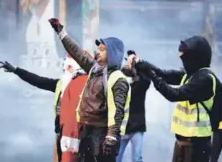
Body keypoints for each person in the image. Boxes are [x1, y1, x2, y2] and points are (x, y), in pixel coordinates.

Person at [48, 18, 131, 162]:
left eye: (102, 50)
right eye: (98, 49)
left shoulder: (117, 78)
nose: (98, 52)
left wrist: (111, 136)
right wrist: (61, 33)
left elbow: (117, 111)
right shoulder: (95, 69)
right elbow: (77, 52)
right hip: (87, 130)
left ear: (112, 53)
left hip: (103, 134)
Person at [129, 36, 222, 162]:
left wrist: (150, 73)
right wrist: (142, 63)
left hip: (197, 145)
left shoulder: (205, 79)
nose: (183, 62)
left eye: (185, 58)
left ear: (195, 58)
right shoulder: (190, 75)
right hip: (181, 142)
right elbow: (163, 74)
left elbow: (173, 94)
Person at [0, 52, 90, 162]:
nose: (65, 69)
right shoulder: (61, 84)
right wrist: (16, 70)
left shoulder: (87, 86)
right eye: (65, 66)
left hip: (80, 136)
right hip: (61, 134)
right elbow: (38, 81)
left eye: (68, 66)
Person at [116, 50, 151, 162]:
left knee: (136, 158)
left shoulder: (139, 85)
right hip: (122, 128)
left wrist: (138, 63)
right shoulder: (119, 85)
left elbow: (146, 79)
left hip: (135, 127)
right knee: (116, 158)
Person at [59, 53, 93, 162]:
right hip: (85, 136)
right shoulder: (92, 82)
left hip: (74, 136)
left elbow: (70, 118)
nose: (66, 69)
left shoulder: (74, 83)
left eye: (68, 67)